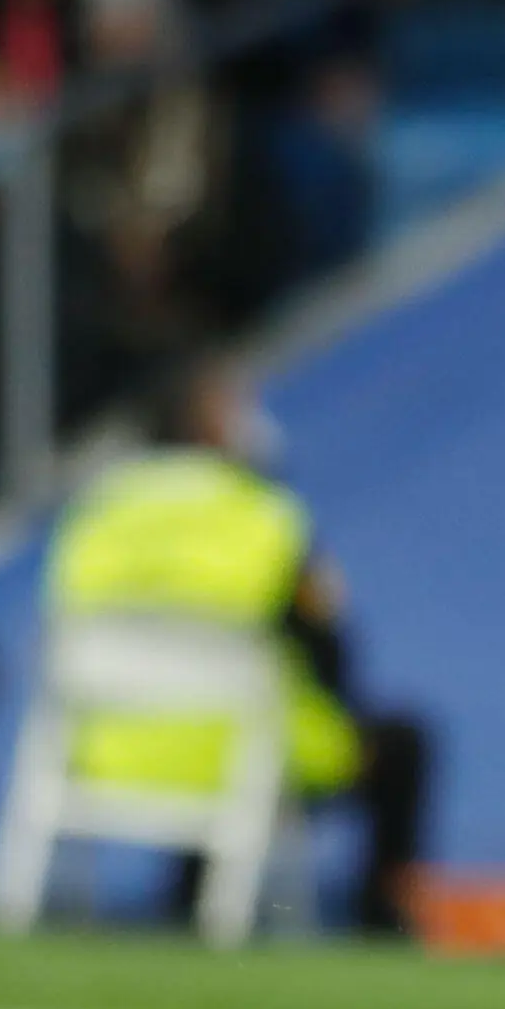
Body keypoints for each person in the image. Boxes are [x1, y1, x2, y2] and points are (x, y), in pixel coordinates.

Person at [42, 364, 434, 937]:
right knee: (399, 741)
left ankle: (186, 899)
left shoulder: (99, 508)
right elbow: (329, 649)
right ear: (211, 428)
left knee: (208, 715)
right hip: (232, 750)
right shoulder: (264, 517)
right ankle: (381, 919)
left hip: (106, 750)